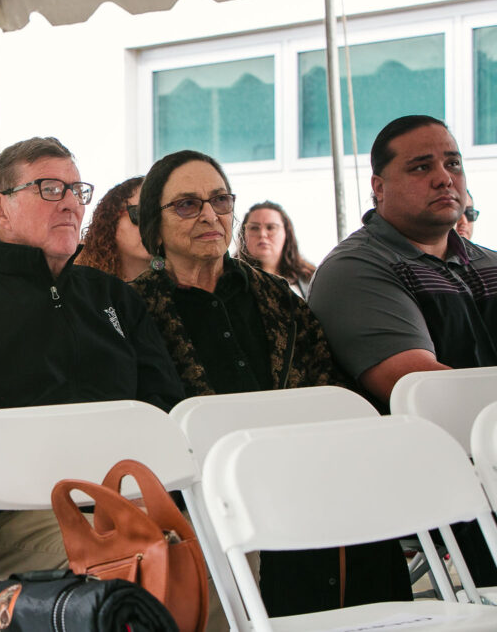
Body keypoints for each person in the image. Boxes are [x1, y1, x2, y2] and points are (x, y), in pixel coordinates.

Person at [130, 148, 410, 620]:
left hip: (307, 476)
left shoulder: (275, 295)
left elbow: (329, 385)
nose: (209, 215)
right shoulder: (135, 308)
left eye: (220, 200)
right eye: (186, 204)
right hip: (206, 500)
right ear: (154, 227)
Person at [0, 136, 183, 579]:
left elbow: (163, 405)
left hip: (130, 498)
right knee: (146, 559)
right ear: (0, 209)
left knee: (227, 545)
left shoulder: (112, 296)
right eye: (49, 188)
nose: (70, 204)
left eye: (77, 191)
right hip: (19, 514)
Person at [308, 115, 497, 589]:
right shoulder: (356, 269)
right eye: (420, 167)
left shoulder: (487, 263)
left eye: (453, 163)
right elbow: (426, 392)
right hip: (439, 474)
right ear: (378, 186)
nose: (444, 177)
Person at [76, 176, 151, 282]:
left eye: (157, 216)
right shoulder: (84, 284)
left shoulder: (177, 288)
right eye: (140, 214)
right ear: (111, 220)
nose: (150, 226)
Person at [236, 201, 317, 298]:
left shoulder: (311, 278)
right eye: (254, 228)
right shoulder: (229, 278)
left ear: (286, 233)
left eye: (270, 228)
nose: (262, 234)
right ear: (243, 234)